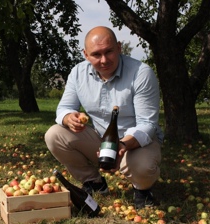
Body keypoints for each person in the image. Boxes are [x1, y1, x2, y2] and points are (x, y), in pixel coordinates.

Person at [45, 26, 163, 209]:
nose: (104, 60)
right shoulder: (78, 73)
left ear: (118, 47)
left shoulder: (141, 73)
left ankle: (143, 190)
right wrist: (69, 118)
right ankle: (94, 183)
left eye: (109, 51)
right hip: (101, 141)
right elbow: (64, 108)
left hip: (135, 142)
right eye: (96, 54)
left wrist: (122, 145)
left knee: (142, 165)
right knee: (54, 134)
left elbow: (147, 125)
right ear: (85, 54)